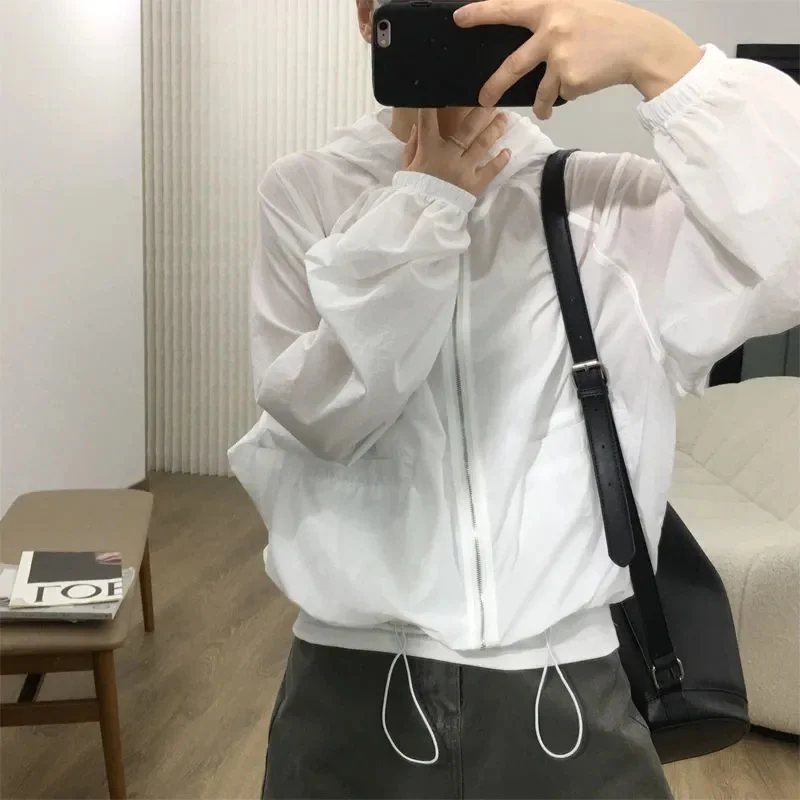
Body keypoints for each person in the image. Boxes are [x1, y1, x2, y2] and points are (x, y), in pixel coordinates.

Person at [229, 0, 800, 797]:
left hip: (567, 684)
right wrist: (424, 204)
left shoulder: (599, 200)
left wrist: (660, 57)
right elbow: (325, 417)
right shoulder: (307, 192)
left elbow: (782, 259)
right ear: (368, 14)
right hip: (354, 683)